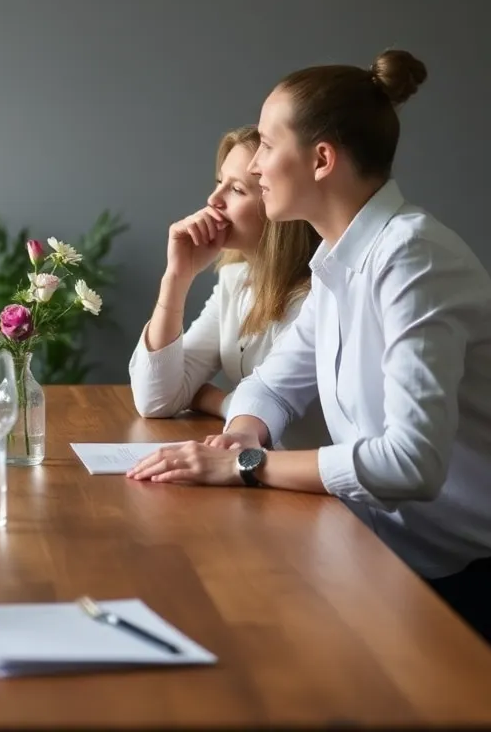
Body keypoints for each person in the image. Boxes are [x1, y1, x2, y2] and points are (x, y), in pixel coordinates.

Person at [128, 49, 491, 643]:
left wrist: (247, 466)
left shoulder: (414, 259)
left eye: (268, 146)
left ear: (321, 159)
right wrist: (243, 432)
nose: (259, 167)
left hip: (460, 579)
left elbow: (412, 464)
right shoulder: (338, 260)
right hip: (379, 554)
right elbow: (274, 382)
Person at [129, 126, 326, 449]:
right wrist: (177, 278)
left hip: (307, 484)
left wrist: (214, 399)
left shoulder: (314, 297)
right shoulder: (237, 282)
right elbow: (155, 399)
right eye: (220, 182)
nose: (213, 200)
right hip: (263, 474)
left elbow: (279, 414)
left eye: (236, 189)